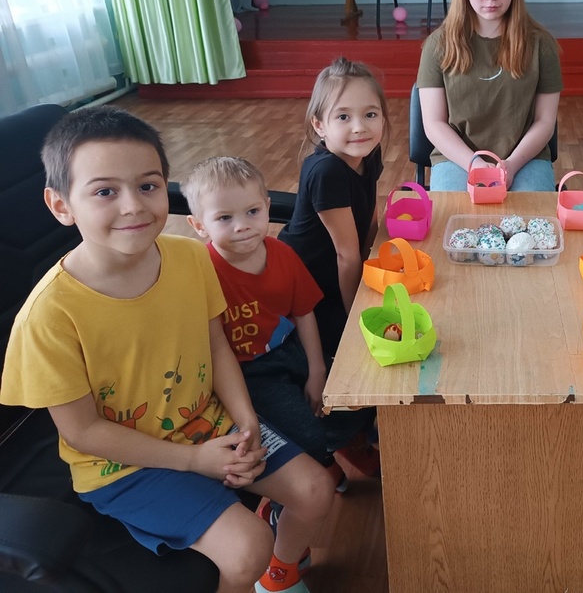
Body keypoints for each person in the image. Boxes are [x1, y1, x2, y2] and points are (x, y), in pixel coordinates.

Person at [0, 106, 335, 593]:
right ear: (61, 205)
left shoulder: (190, 258)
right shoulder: (48, 316)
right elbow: (84, 432)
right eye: (105, 191)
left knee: (316, 490)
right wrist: (195, 461)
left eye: (148, 185)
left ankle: (279, 577)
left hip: (206, 423)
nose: (133, 206)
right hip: (122, 464)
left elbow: (215, 344)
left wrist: (245, 421)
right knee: (247, 547)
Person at [182, 156, 374, 475]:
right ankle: (321, 461)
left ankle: (338, 444)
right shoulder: (201, 271)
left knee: (357, 398)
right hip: (247, 371)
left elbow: (304, 312)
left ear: (267, 207)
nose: (242, 225)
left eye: (252, 211)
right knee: (305, 432)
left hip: (291, 349)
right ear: (199, 225)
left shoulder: (283, 253)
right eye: (225, 217)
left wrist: (316, 370)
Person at [416, 0, 562, 192]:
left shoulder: (542, 45)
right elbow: (434, 124)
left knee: (531, 217)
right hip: (457, 159)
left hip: (525, 159)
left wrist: (512, 164)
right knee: (453, 216)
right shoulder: (437, 46)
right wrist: (475, 163)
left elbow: (545, 121)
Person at [278, 57, 387, 361]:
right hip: (308, 289)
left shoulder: (367, 151)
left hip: (340, 275)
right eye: (343, 117)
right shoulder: (328, 172)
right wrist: (356, 318)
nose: (359, 127)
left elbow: (370, 215)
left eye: (370, 114)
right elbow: (347, 256)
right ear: (319, 125)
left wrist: (374, 263)